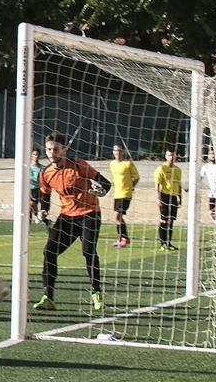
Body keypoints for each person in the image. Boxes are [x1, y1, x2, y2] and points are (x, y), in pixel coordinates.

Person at [33, 131, 111, 311]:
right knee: (49, 252)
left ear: (64, 150)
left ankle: (96, 293)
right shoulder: (46, 173)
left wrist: (100, 190)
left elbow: (105, 183)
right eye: (49, 149)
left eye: (56, 149)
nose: (52, 153)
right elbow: (45, 196)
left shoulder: (79, 165)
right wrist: (43, 211)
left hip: (89, 214)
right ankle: (48, 296)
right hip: (67, 217)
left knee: (88, 251)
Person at [109, 144, 140, 248]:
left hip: (126, 193)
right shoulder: (112, 164)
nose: (117, 153)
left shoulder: (128, 164)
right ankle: (121, 238)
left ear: (123, 152)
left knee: (117, 216)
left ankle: (124, 238)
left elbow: (136, 177)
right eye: (115, 151)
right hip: (117, 193)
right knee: (117, 217)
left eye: (119, 151)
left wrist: (131, 187)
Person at [154, 148, 184, 251]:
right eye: (169, 155)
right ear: (166, 156)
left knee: (171, 221)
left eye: (173, 155)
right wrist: (158, 198)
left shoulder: (177, 170)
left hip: (173, 197)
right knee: (164, 220)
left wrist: (180, 197)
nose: (171, 158)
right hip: (164, 195)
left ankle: (168, 243)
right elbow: (157, 185)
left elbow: (178, 185)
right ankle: (162, 243)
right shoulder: (161, 168)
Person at [29, 148, 50, 225]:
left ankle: (40, 218)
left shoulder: (42, 168)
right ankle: (45, 221)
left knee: (31, 205)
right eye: (34, 154)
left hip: (36, 189)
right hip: (27, 189)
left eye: (37, 155)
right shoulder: (27, 167)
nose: (35, 156)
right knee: (28, 208)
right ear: (31, 155)